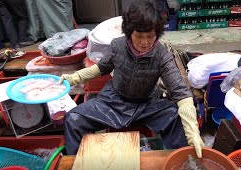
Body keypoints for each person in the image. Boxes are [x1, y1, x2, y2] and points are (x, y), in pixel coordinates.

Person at [59, 0, 204, 158]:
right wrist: (74, 77)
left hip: (146, 104)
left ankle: (181, 162)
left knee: (176, 117)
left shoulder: (162, 56)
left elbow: (181, 93)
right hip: (112, 101)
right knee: (73, 119)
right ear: (129, 32)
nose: (145, 42)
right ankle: (74, 164)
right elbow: (101, 68)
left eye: (150, 36)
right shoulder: (117, 45)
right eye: (139, 36)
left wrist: (193, 133)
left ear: (157, 33)